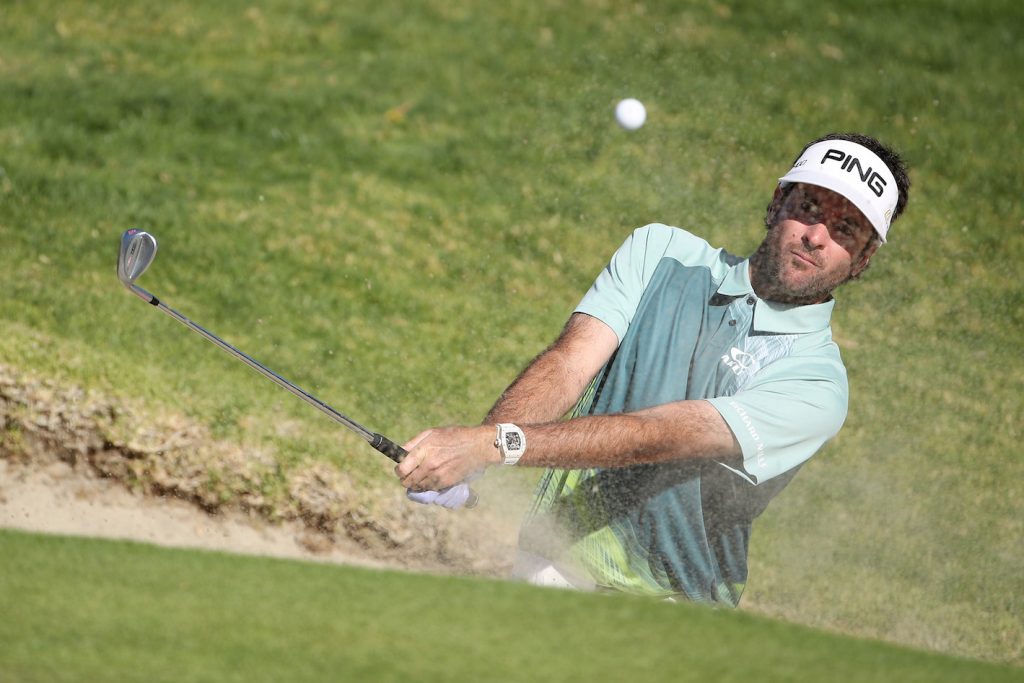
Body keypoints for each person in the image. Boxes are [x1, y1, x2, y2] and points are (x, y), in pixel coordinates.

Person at [396, 132, 911, 605]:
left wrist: (494, 445)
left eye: (844, 229)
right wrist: (474, 453)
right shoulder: (661, 252)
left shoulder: (818, 384)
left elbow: (668, 435)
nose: (816, 236)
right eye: (809, 208)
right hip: (550, 565)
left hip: (673, 610)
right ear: (777, 204)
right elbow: (571, 361)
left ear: (863, 260)